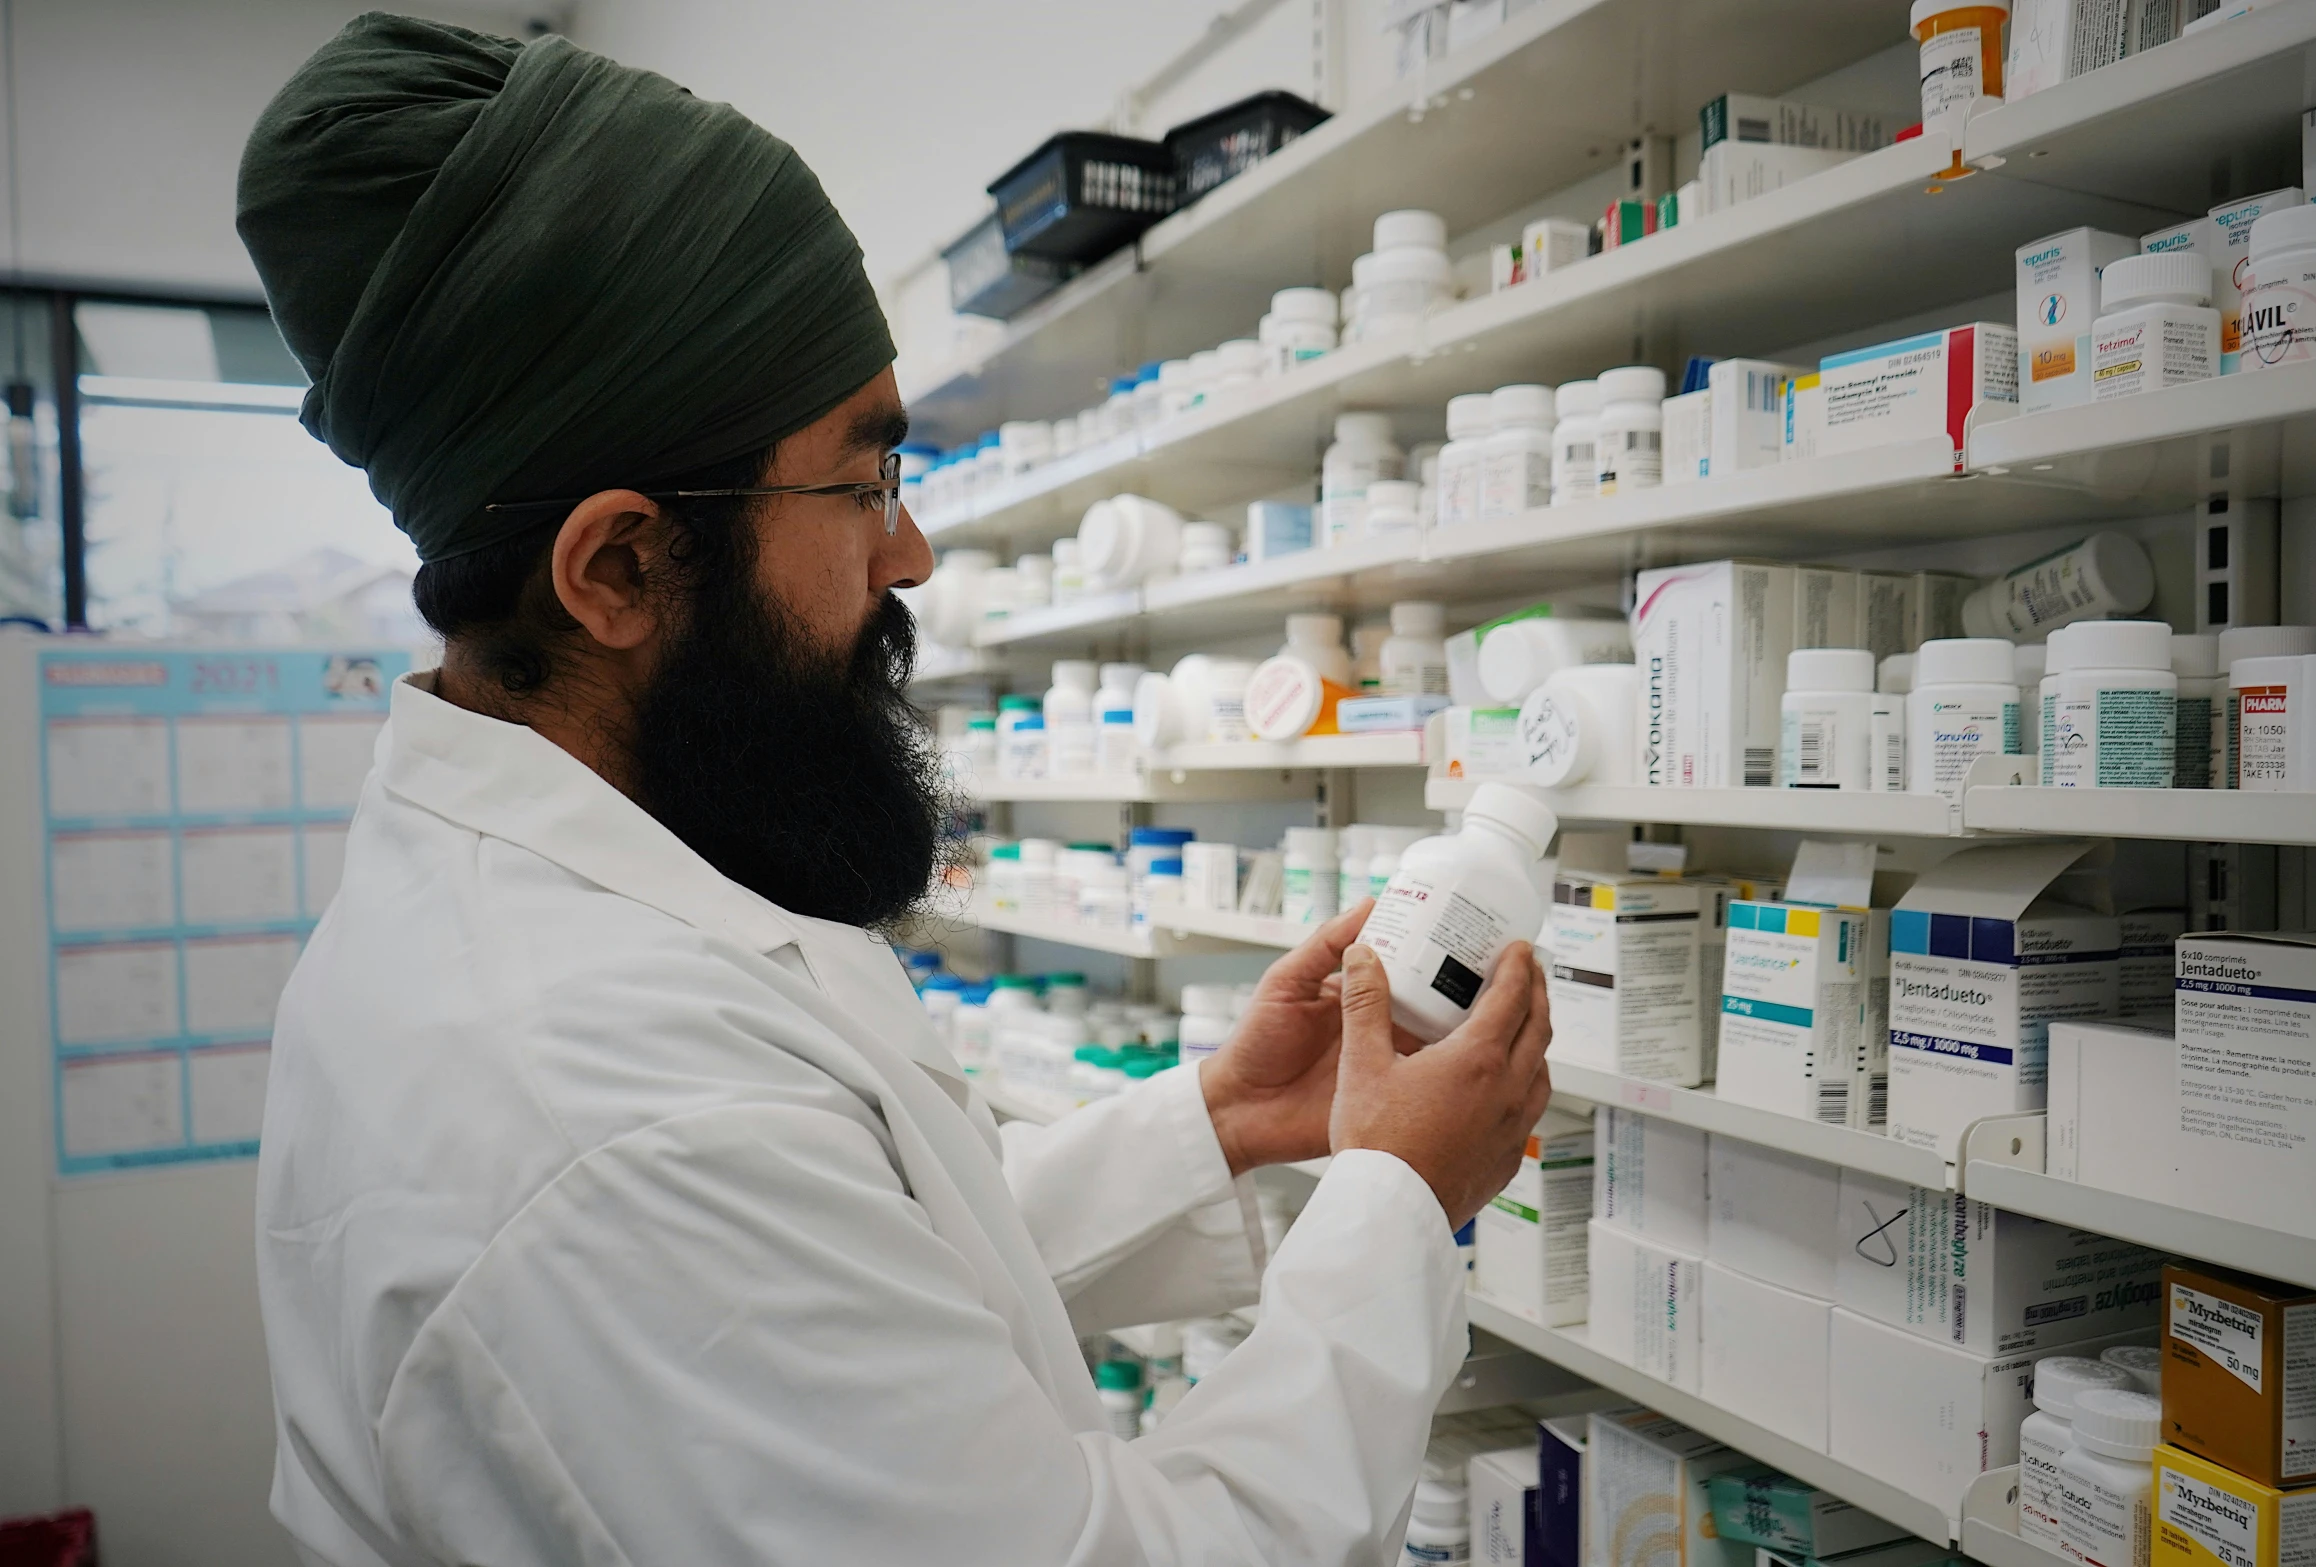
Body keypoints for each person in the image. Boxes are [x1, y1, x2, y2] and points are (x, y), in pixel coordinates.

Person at [238, 16, 1553, 1566]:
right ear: (618, 565)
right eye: (862, 480)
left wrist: (1223, 1120)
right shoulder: (596, 1103)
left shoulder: (587, 910)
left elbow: (852, 1282)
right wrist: (1398, 1201)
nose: (908, 550)